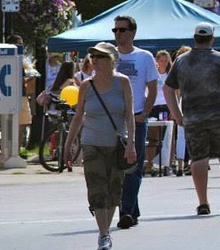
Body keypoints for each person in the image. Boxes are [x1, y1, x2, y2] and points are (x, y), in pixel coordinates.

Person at [163, 23, 220, 216]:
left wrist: (177, 115)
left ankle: (203, 203)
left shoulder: (182, 61)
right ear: (212, 38)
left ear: (195, 38)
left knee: (198, 158)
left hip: (193, 117)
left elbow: (168, 89)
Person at [65, 42, 136, 250]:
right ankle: (104, 234)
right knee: (97, 189)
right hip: (91, 143)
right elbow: (78, 117)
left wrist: (131, 143)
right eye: (93, 57)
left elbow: (129, 115)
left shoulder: (122, 82)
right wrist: (68, 145)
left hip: (116, 144)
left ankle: (105, 230)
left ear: (111, 60)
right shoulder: (86, 85)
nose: (94, 60)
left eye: (100, 57)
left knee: (114, 190)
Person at [112, 15, 159, 230]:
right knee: (117, 168)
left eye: (122, 30)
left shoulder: (144, 56)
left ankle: (126, 211)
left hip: (137, 117)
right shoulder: (109, 56)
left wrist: (145, 112)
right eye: (115, 30)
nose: (118, 34)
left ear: (132, 32)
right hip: (114, 119)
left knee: (133, 166)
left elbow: (153, 87)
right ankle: (133, 208)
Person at [144, 49, 172, 176]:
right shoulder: (153, 74)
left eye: (166, 60)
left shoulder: (169, 75)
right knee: (153, 137)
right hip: (154, 106)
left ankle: (167, 163)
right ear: (157, 61)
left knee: (165, 137)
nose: (164, 63)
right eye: (162, 60)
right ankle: (149, 163)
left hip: (165, 106)